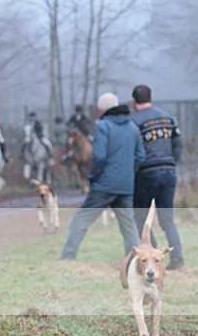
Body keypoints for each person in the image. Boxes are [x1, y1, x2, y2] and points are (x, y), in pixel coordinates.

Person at [60, 93, 145, 260]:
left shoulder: (102, 126)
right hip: (125, 185)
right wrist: (128, 173)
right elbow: (140, 156)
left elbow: (99, 157)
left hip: (104, 185)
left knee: (80, 220)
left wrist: (92, 177)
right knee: (129, 227)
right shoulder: (133, 127)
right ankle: (134, 261)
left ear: (101, 109)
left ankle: (67, 258)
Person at [131, 84, 185, 270]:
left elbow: (134, 151)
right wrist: (171, 162)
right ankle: (177, 259)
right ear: (151, 98)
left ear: (133, 101)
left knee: (140, 218)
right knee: (167, 219)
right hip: (168, 171)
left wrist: (136, 170)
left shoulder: (133, 122)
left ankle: (151, 258)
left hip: (146, 174)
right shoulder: (168, 117)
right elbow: (178, 144)